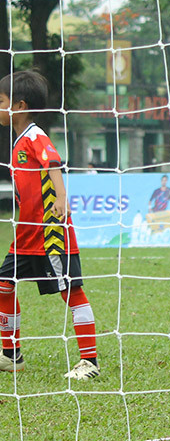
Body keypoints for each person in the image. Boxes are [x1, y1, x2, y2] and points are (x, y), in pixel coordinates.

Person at [0, 71, 99, 379]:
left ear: (18, 105)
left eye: (0, 101)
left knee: (70, 291)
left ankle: (90, 363)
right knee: (3, 285)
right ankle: (11, 355)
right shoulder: (18, 140)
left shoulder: (34, 136)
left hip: (49, 233)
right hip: (26, 234)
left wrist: (61, 197)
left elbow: (52, 163)